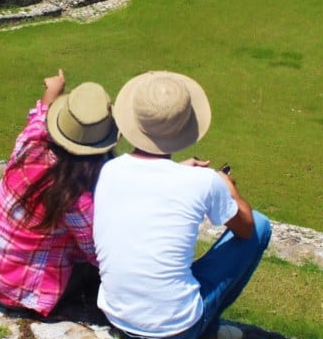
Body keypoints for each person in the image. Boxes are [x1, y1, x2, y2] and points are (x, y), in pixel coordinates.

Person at [93, 71, 271, 339]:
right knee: (260, 224)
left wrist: (178, 171)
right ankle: (206, 329)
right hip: (175, 329)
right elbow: (246, 229)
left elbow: (150, 185)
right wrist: (227, 186)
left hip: (118, 314)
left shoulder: (110, 170)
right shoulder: (204, 181)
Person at [0, 68, 119, 320]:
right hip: (18, 291)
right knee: (93, 267)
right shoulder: (77, 196)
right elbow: (96, 252)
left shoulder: (31, 142)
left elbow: (39, 117)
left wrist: (53, 90)